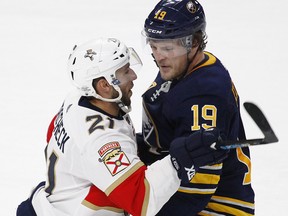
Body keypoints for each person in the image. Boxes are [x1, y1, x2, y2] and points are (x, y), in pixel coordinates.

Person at [16, 37, 227, 216]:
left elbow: (53, 131)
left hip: (50, 205)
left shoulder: (77, 98)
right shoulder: (103, 141)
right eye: (125, 72)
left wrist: (124, 153)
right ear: (104, 85)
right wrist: (179, 160)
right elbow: (142, 201)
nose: (133, 76)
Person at [138, 0, 255, 215]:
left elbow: (198, 187)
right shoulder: (181, 66)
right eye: (153, 45)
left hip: (216, 208)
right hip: (179, 192)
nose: (158, 55)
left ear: (193, 43)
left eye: (167, 48)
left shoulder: (204, 93)